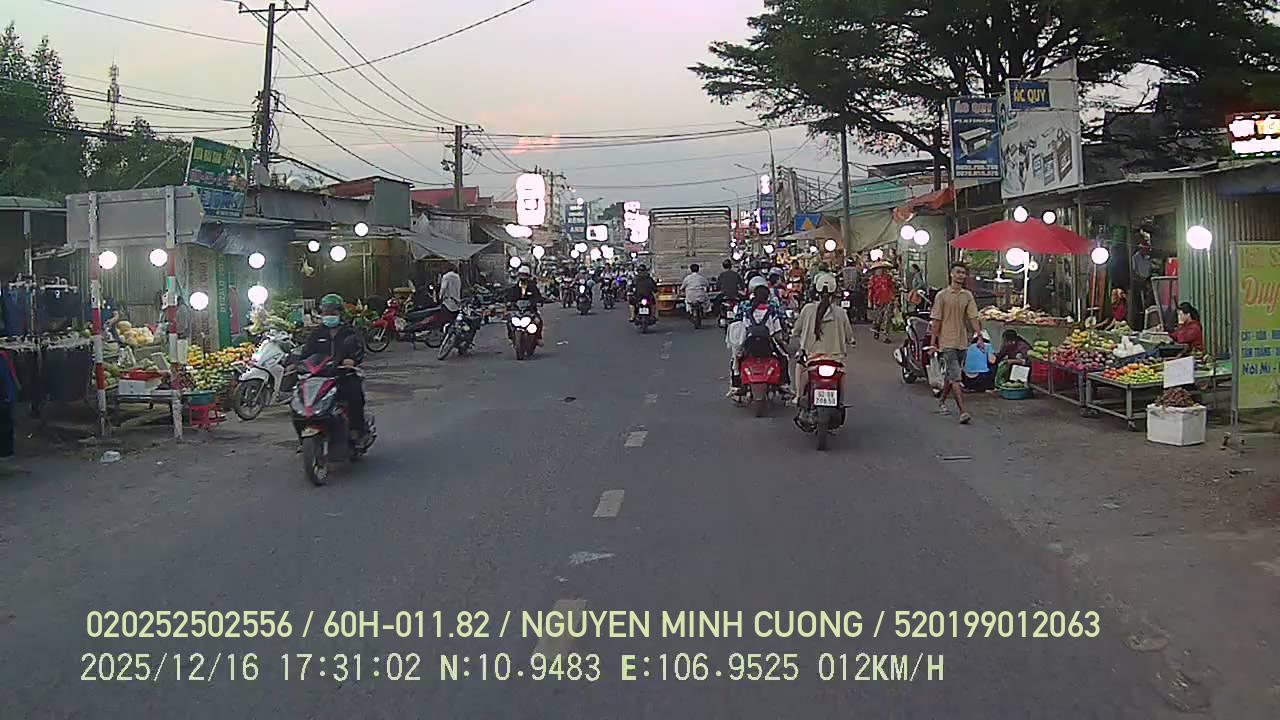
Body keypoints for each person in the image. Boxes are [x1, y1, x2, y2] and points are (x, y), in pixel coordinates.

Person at [299, 293, 368, 438]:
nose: (329, 315)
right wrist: (295, 363)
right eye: (326, 312)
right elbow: (306, 352)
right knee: (300, 397)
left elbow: (359, 349)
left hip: (343, 374)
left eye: (333, 312)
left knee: (355, 394)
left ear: (340, 313)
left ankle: (357, 430)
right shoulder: (317, 333)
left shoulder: (349, 332)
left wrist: (351, 360)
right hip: (319, 375)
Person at [930, 262, 984, 424]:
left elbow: (973, 317)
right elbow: (936, 321)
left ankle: (941, 401)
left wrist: (979, 336)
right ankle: (963, 411)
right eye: (958, 272)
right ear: (951, 274)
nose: (961, 275)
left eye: (963, 273)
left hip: (962, 340)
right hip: (946, 341)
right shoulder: (942, 296)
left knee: (952, 374)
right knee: (956, 377)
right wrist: (933, 343)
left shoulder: (967, 296)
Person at [792, 274, 854, 408]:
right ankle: (840, 401)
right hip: (835, 358)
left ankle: (798, 396)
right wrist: (851, 341)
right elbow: (849, 336)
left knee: (799, 366)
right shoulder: (841, 312)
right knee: (842, 374)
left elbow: (796, 330)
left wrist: (795, 334)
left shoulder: (808, 309)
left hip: (812, 357)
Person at [729, 278, 791, 397]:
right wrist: (783, 346)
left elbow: (743, 327)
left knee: (736, 360)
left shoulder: (747, 310)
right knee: (783, 358)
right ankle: (784, 384)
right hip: (767, 345)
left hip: (749, 345)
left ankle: (736, 385)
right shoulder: (771, 310)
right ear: (768, 297)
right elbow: (776, 333)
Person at [868, 264, 896, 342]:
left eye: (881, 269)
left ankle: (886, 336)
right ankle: (877, 329)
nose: (879, 271)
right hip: (878, 301)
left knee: (887, 318)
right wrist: (870, 301)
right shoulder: (873, 279)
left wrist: (893, 298)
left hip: (888, 300)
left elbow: (892, 288)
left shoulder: (888, 277)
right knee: (878, 318)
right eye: (878, 269)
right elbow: (870, 290)